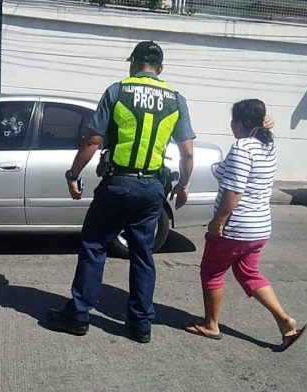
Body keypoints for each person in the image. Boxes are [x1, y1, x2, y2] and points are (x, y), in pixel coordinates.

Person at [44, 41, 195, 343]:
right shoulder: (176, 99)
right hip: (153, 188)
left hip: (119, 184)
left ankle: (78, 315)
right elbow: (188, 153)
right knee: (142, 254)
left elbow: (93, 140)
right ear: (160, 69)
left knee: (94, 245)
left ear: (133, 64)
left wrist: (73, 175)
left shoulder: (117, 90)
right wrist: (182, 184)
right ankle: (140, 325)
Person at [184, 99, 307, 352]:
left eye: (233, 120)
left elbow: (234, 191)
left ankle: (211, 325)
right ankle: (285, 322)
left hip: (236, 227)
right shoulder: (268, 144)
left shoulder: (242, 147)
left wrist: (218, 222)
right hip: (259, 227)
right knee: (248, 274)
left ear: (239, 123)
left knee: (212, 272)